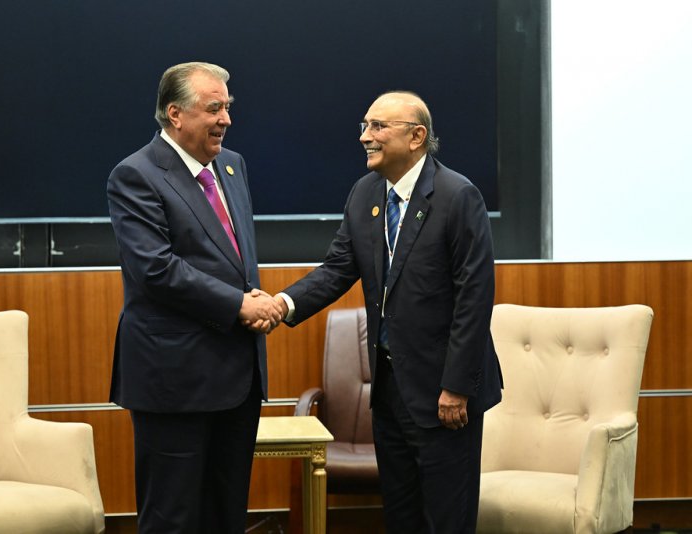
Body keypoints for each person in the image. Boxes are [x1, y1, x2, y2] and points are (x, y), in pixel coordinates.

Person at [270, 91, 503, 533]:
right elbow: (338, 268)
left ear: (416, 136)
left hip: (444, 393)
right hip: (390, 393)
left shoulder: (458, 196)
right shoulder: (365, 194)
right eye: (365, 126)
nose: (365, 137)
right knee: (400, 518)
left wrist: (456, 387)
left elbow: (474, 298)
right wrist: (282, 304)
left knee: (446, 521)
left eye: (378, 126)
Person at [107, 61, 283, 534]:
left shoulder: (232, 165)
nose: (226, 118)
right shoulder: (136, 174)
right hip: (174, 379)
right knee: (173, 517)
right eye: (214, 108)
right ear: (175, 114)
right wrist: (240, 304)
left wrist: (252, 296)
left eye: (227, 107)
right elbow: (156, 269)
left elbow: (232, 256)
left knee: (226, 515)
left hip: (238, 376)